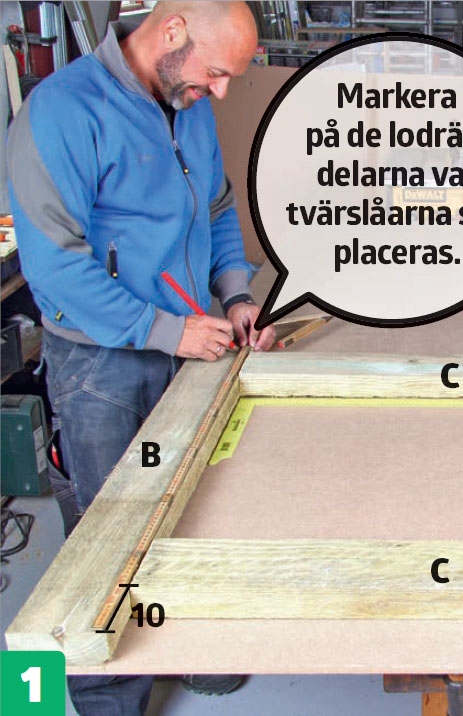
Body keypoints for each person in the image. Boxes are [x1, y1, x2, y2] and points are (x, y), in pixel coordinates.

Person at [7, 2, 274, 713]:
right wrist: (165, 331)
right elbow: (55, 269)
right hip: (101, 363)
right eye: (217, 73)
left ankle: (184, 649)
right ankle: (108, 694)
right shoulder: (60, 112)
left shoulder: (188, 103)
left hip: (190, 339)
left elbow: (215, 208)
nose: (221, 91)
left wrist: (235, 294)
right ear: (173, 30)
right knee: (111, 530)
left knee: (193, 508)